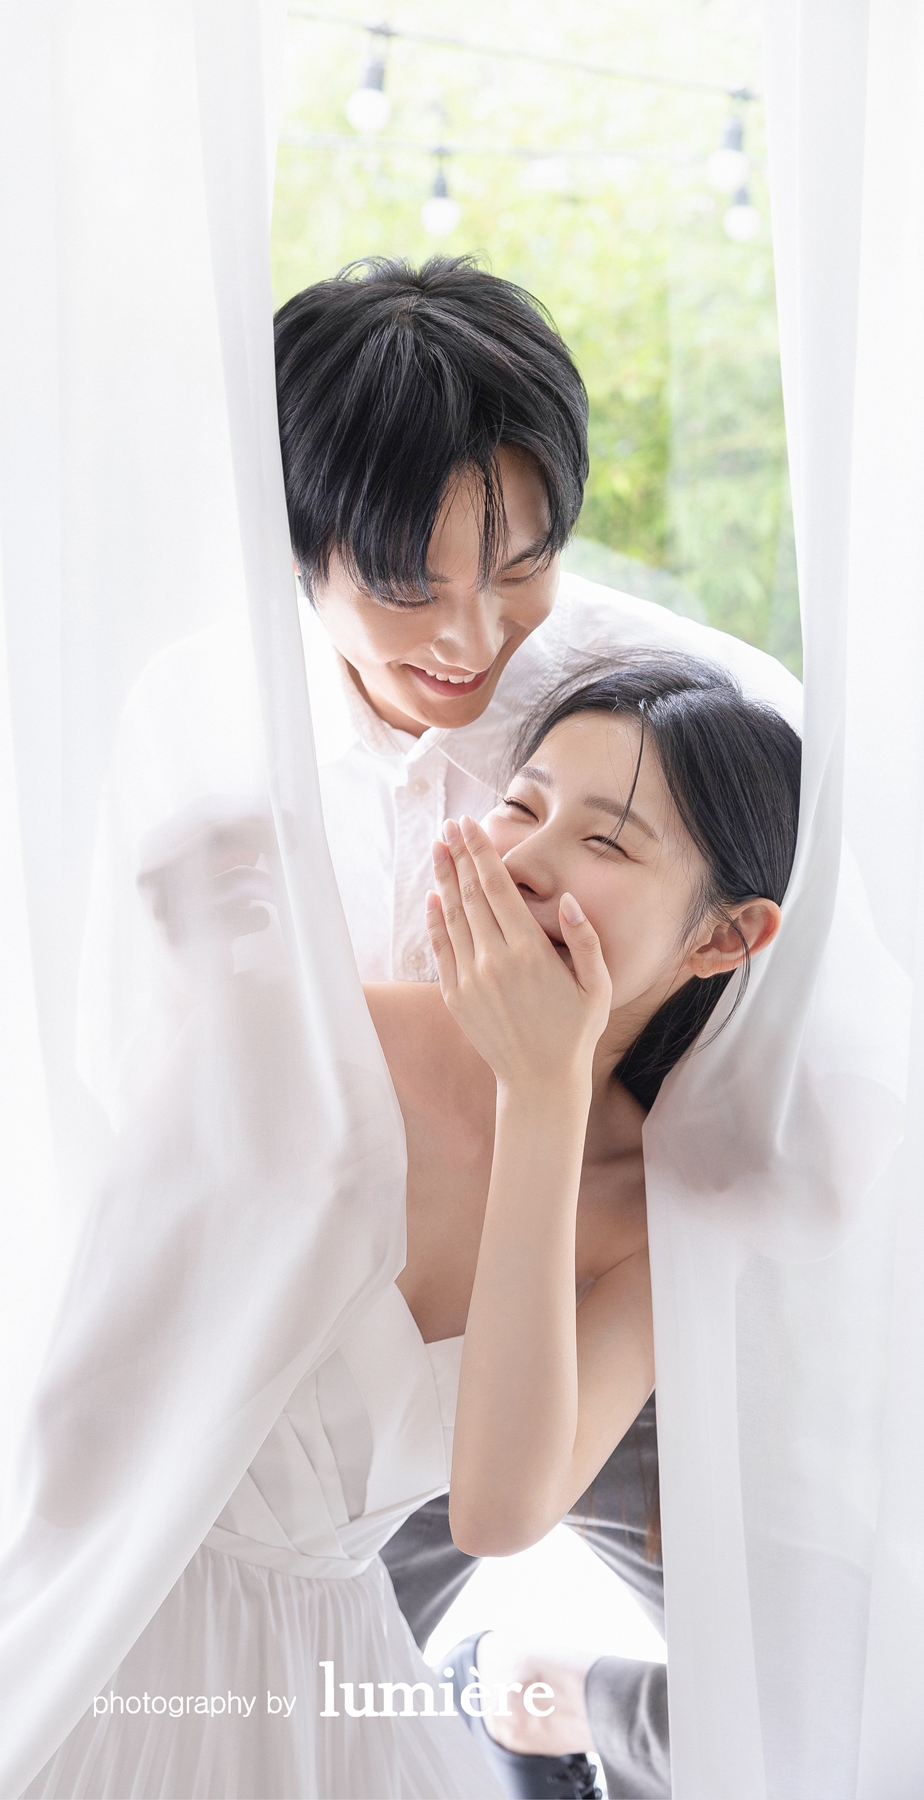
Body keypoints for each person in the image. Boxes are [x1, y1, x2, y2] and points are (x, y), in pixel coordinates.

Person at [19, 654, 799, 1799]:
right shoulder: (302, 1035)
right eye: (521, 806)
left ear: (722, 940)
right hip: (90, 1632)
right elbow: (77, 1431)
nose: (523, 861)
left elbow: (497, 1512)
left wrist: (544, 1096)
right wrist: (212, 1009)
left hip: (325, 1695)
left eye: (606, 840)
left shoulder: (660, 1219)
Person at [273, 255, 801, 1798]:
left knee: (780, 1676)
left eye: (521, 566)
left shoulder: (665, 712)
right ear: (300, 554)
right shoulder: (235, 732)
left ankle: (559, 1707)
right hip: (369, 1278)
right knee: (313, 1649)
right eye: (409, 582)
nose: (471, 631)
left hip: (612, 1239)